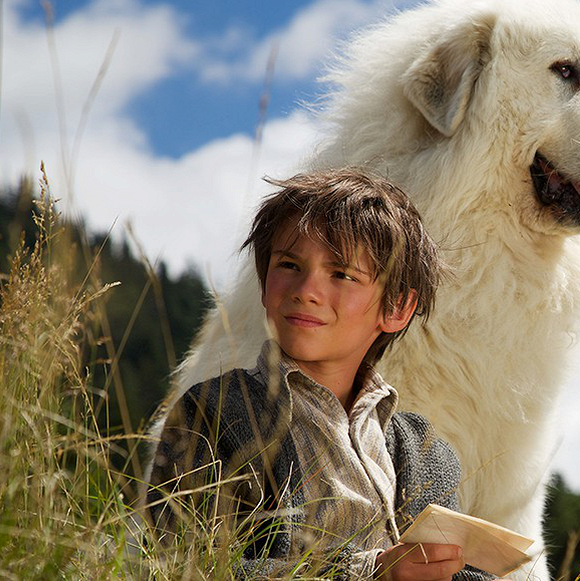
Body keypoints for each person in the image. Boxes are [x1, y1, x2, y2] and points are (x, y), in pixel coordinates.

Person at [145, 169, 490, 580]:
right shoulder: (214, 410)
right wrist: (370, 573)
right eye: (289, 264)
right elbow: (180, 568)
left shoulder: (426, 452)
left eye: (342, 274)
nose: (306, 289)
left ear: (396, 308)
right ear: (263, 282)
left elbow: (455, 571)